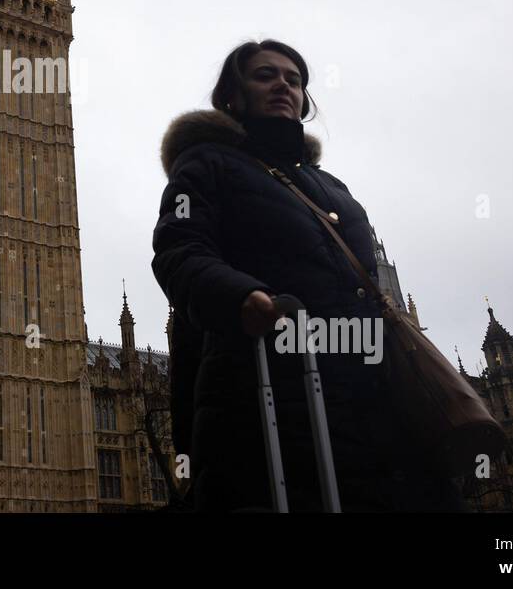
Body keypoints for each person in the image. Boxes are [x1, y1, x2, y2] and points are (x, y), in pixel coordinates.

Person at [151, 39, 461, 512]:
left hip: (373, 402)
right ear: (232, 95)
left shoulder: (330, 187)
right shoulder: (206, 164)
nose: (282, 85)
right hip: (271, 394)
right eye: (265, 75)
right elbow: (179, 248)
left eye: (293, 80)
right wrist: (240, 295)